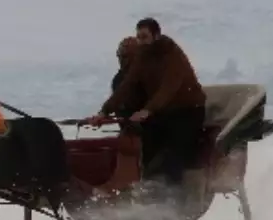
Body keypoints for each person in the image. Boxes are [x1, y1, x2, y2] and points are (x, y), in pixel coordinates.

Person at [86, 17, 207, 189]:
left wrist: (148, 110)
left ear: (156, 35)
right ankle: (149, 188)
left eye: (144, 37)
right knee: (147, 141)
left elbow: (169, 87)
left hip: (188, 110)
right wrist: (104, 112)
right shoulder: (142, 56)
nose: (141, 41)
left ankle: (174, 195)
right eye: (138, 37)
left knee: (175, 149)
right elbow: (128, 84)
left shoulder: (172, 54)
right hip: (165, 111)